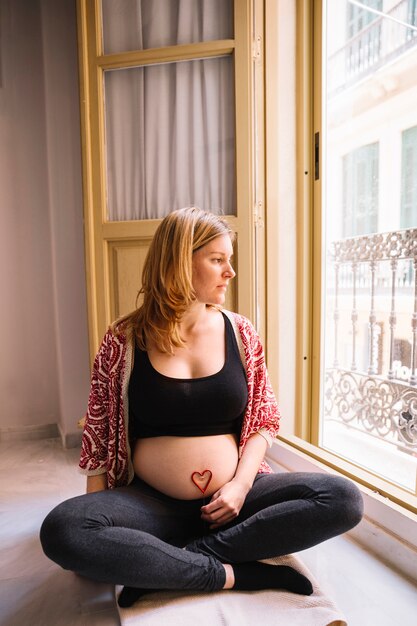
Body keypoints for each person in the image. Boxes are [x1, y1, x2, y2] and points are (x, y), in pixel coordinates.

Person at [40, 207, 363, 607]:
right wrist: (93, 518)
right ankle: (231, 572)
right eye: (217, 260)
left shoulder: (240, 332)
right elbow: (99, 433)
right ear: (179, 262)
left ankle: (173, 565)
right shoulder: (124, 338)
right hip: (153, 504)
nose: (230, 272)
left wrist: (240, 487)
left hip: (235, 500)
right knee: (64, 529)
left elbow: (263, 418)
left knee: (343, 498)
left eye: (230, 260)